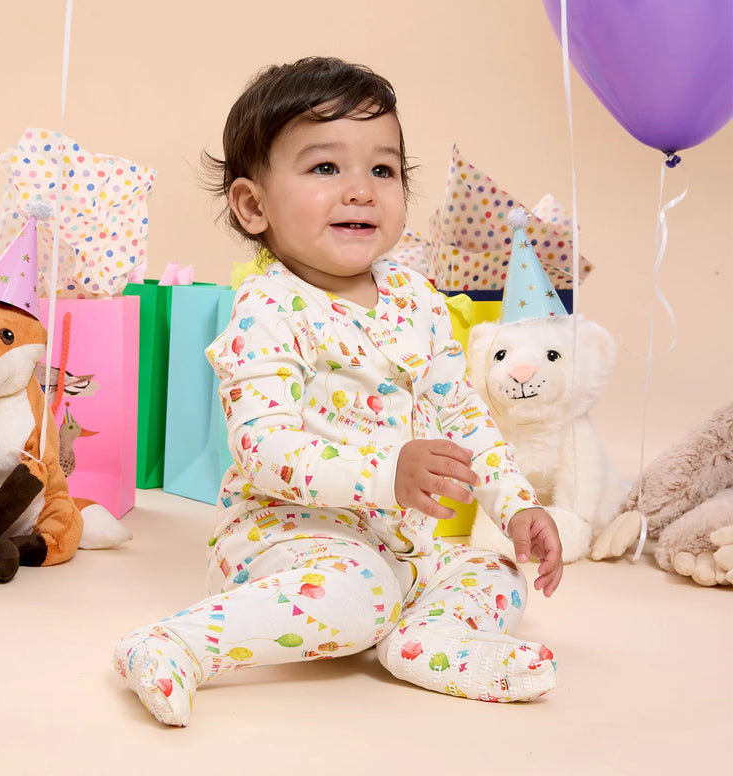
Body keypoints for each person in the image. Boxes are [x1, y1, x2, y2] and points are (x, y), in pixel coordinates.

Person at [113, 56, 563, 726]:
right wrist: (388, 472)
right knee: (360, 591)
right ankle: (175, 642)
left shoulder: (419, 300)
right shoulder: (267, 309)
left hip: (404, 541)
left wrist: (516, 504)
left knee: (495, 574)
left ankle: (429, 640)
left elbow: (461, 415)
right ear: (253, 205)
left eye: (383, 169)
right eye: (326, 168)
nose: (361, 190)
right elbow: (265, 448)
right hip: (288, 537)